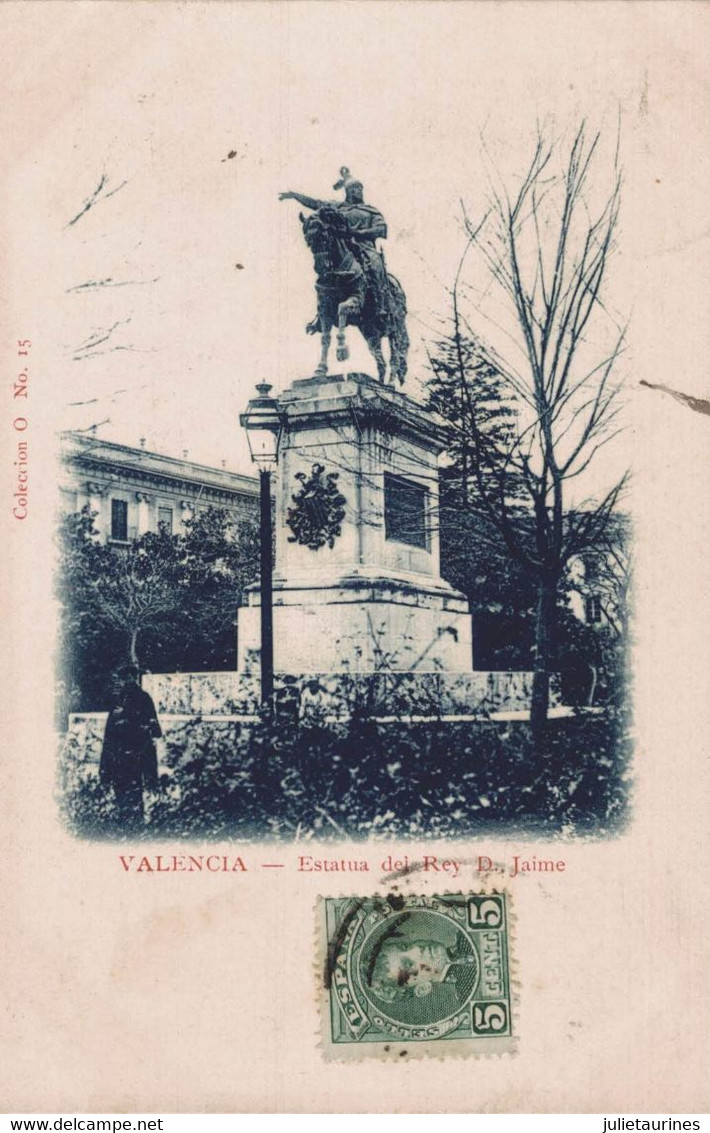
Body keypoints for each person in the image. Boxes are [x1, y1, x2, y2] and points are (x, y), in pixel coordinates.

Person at [279, 168, 390, 321]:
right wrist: (295, 195)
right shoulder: (338, 207)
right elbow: (315, 203)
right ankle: (322, 314)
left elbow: (381, 229)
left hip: (365, 247)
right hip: (342, 246)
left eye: (360, 188)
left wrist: (356, 233)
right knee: (325, 267)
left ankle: (381, 305)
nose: (358, 191)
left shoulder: (370, 210)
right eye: (355, 188)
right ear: (348, 191)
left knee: (376, 264)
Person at [99, 665, 162, 832]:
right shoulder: (118, 700)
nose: (126, 681)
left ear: (134, 678)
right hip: (119, 756)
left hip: (136, 755)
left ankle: (134, 828)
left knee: (134, 794)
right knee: (121, 794)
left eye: (129, 677)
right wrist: (105, 764)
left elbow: (155, 730)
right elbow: (109, 734)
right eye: (123, 677)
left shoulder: (143, 698)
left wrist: (129, 718)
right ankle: (125, 828)